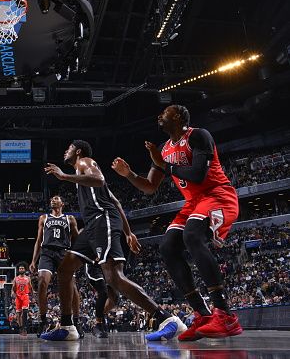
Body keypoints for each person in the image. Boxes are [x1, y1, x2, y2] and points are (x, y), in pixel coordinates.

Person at [112, 104, 243, 340]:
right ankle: (202, 314)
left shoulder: (198, 135)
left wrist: (164, 165)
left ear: (180, 117)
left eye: (166, 112)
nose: (160, 114)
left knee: (192, 236)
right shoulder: (163, 148)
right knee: (168, 247)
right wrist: (129, 174)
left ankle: (224, 314)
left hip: (218, 195)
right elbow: (150, 187)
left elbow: (197, 175)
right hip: (193, 202)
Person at [42, 140, 182, 341]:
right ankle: (67, 326)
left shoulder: (85, 162)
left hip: (102, 220)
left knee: (114, 277)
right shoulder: (82, 174)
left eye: (69, 147)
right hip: (92, 226)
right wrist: (128, 232)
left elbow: (98, 180)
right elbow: (115, 200)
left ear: (78, 151)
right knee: (65, 269)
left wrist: (63, 176)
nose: (66, 150)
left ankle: (166, 319)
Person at [29, 195, 87, 338]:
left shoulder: (70, 219)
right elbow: (38, 240)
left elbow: (77, 240)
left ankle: (76, 321)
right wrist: (33, 260)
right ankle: (43, 320)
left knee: (72, 288)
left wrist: (77, 257)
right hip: (47, 252)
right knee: (42, 283)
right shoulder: (44, 218)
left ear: (62, 203)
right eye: (52, 199)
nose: (53, 200)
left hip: (64, 253)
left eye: (57, 198)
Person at [11, 263, 33, 336]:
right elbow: (13, 288)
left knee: (25, 311)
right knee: (18, 314)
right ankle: (20, 328)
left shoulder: (28, 278)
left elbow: (31, 287)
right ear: (18, 270)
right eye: (20, 268)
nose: (21, 269)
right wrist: (12, 293)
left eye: (22, 268)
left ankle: (24, 328)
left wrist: (33, 295)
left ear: (25, 269)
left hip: (25, 296)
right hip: (18, 297)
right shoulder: (16, 278)